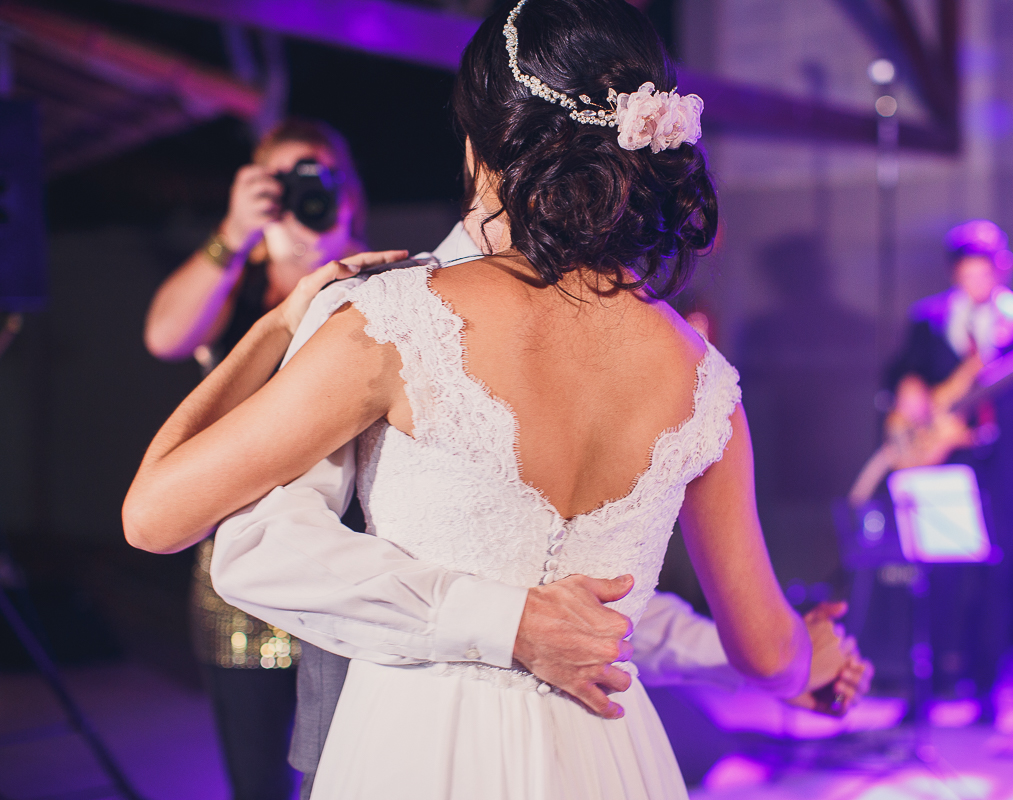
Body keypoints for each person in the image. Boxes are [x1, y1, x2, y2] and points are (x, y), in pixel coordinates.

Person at [123, 1, 858, 795]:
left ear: (480, 146)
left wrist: (278, 324)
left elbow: (155, 517)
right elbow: (765, 648)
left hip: (419, 748)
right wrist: (804, 661)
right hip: (608, 757)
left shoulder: (393, 323)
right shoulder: (706, 381)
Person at [206, 221, 872, 798]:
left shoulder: (382, 320)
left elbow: (604, 611)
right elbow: (262, 549)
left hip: (431, 736)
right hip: (507, 744)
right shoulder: (379, 314)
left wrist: (754, 656)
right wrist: (787, 656)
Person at [141, 117, 368, 800]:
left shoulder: (376, 277)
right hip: (240, 574)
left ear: (348, 189)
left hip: (355, 559)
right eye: (286, 180)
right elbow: (162, 336)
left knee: (359, 769)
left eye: (319, 178)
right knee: (258, 784)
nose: (306, 196)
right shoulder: (234, 286)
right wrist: (234, 235)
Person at [882, 219, 1013, 704]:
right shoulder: (929, 317)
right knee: (939, 576)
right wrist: (912, 399)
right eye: (967, 271)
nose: (976, 280)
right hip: (946, 461)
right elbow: (903, 378)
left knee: (996, 580)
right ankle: (932, 685)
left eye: (984, 270)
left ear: (1001, 269)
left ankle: (988, 692)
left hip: (1006, 465)